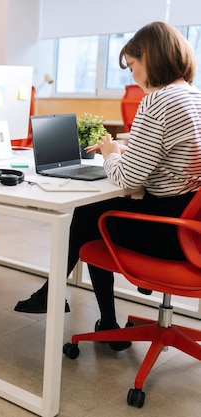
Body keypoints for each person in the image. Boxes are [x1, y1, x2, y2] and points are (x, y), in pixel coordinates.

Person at [14, 21, 201, 351]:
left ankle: (74, 305)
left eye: (133, 66)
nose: (133, 76)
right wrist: (130, 151)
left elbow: (127, 179)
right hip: (191, 226)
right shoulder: (194, 97)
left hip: (167, 231)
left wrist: (112, 152)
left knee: (88, 215)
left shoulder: (157, 102)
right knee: (96, 211)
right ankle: (87, 312)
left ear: (151, 58)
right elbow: (175, 157)